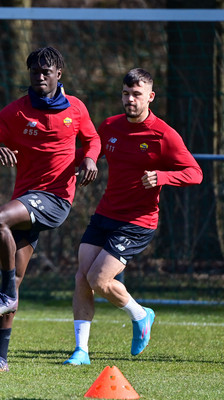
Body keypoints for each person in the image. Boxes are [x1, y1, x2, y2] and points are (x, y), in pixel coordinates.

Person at [0, 46, 101, 372]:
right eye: (34, 73)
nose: (40, 77)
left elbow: (93, 140)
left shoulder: (76, 109)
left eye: (46, 72)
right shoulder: (17, 111)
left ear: (59, 75)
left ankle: (3, 291)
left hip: (56, 198)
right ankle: (0, 358)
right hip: (27, 198)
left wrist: (89, 158)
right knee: (15, 281)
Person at [63, 68, 203, 365]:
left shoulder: (163, 134)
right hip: (105, 213)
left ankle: (141, 315)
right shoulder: (110, 126)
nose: (130, 99)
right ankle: (81, 351)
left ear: (150, 97)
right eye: (126, 94)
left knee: (99, 280)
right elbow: (88, 151)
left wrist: (163, 177)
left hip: (138, 221)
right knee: (81, 277)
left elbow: (195, 173)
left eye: (137, 94)